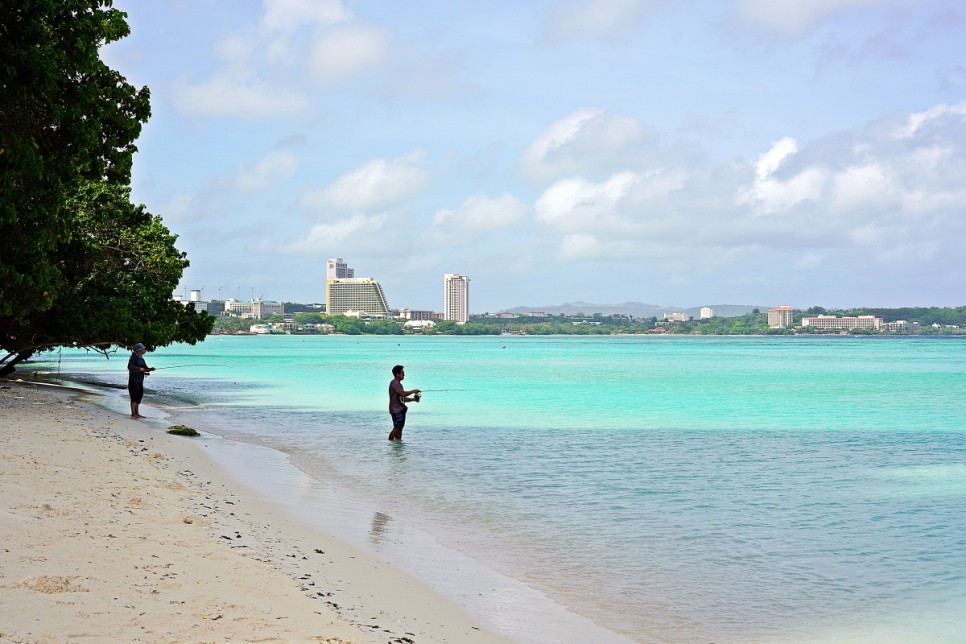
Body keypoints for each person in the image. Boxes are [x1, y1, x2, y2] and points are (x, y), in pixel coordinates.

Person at [388, 364, 420, 441]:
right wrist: (413, 391)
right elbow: (402, 394)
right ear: (397, 374)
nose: (404, 374)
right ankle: (389, 443)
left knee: (399, 430)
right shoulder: (394, 383)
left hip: (399, 410)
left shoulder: (398, 384)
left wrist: (413, 399)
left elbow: (402, 398)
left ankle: (397, 448)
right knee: (397, 428)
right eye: (402, 373)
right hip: (397, 410)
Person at [127, 342, 155, 419]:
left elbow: (145, 368)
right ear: (139, 350)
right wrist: (139, 369)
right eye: (143, 349)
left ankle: (137, 413)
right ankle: (133, 413)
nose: (145, 350)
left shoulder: (141, 359)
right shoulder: (133, 357)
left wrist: (150, 369)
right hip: (133, 380)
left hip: (139, 381)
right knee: (134, 397)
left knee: (139, 396)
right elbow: (130, 367)